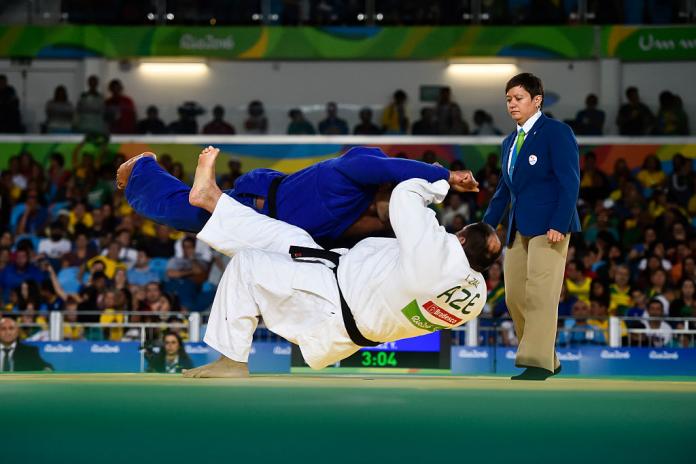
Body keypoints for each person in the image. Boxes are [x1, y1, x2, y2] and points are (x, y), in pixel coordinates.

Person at [180, 147, 501, 377]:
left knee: (248, 264)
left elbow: (406, 193)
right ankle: (211, 199)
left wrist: (442, 181)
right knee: (284, 237)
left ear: (459, 239)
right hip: (338, 291)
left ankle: (232, 360)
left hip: (333, 304)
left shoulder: (434, 252)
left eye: (457, 231)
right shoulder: (474, 298)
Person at [117, 146, 479, 247]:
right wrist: (443, 174)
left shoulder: (364, 220)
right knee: (185, 211)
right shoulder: (355, 169)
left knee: (191, 216)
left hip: (270, 225)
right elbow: (390, 170)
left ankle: (205, 195)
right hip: (259, 204)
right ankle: (142, 169)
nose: (397, 209)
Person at [483, 73, 581, 381]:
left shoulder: (556, 132)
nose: (512, 104)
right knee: (514, 296)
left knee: (541, 294)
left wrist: (559, 222)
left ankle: (537, 362)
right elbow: (504, 190)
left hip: (549, 227)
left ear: (537, 100)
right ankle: (548, 357)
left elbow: (570, 182)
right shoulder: (509, 142)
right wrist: (484, 228)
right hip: (517, 229)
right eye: (508, 99)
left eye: (518, 98)